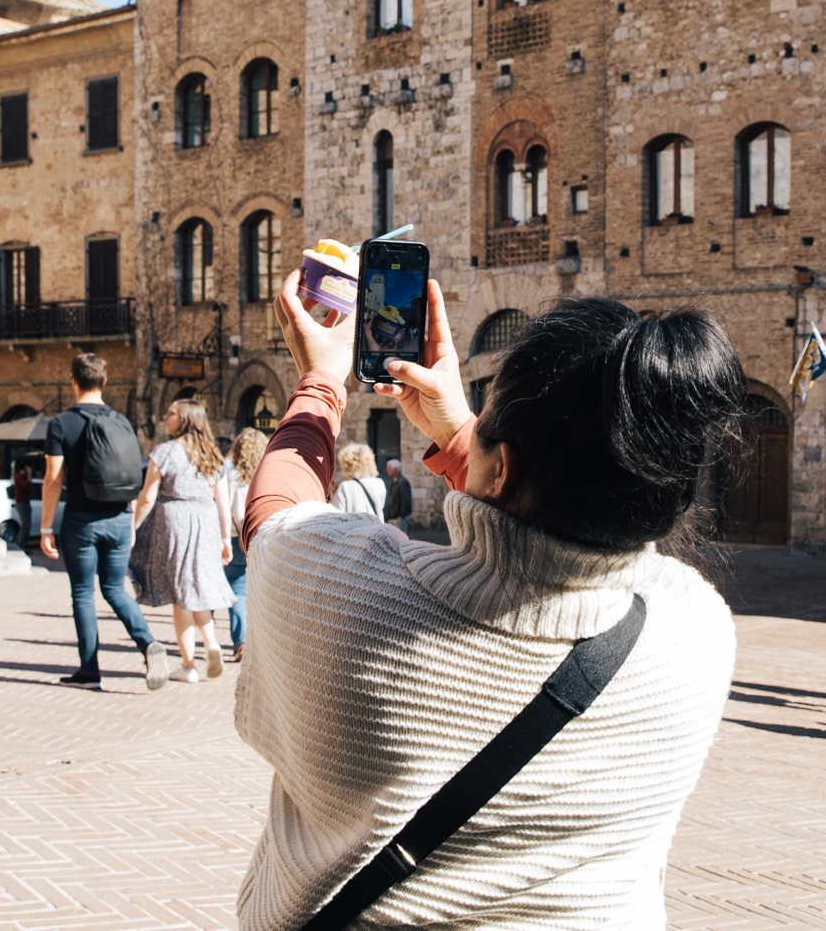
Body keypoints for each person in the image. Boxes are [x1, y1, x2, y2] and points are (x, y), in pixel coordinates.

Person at [237, 273, 739, 930]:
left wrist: (321, 380)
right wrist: (463, 436)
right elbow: (550, 521)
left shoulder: (351, 594)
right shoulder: (696, 631)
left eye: (485, 409)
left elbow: (275, 515)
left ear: (500, 464)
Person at [39, 352, 170, 692]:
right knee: (114, 589)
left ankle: (89, 671)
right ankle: (148, 643)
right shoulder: (120, 420)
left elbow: (53, 478)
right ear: (104, 382)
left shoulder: (61, 424)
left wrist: (45, 526)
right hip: (119, 518)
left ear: (73, 381)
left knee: (82, 593)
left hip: (82, 521)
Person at [132, 398, 238, 683]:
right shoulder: (213, 455)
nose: (165, 417)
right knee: (198, 585)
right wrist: (225, 538)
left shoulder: (164, 452)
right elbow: (223, 503)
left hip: (174, 519)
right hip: (206, 522)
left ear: (186, 419)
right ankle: (212, 642)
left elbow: (147, 497)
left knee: (181, 594)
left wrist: (133, 526)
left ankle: (189, 665)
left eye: (171, 414)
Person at [223, 427, 266, 662]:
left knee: (237, 590)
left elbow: (224, 508)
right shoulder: (268, 474)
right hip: (262, 537)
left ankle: (241, 640)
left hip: (235, 537)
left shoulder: (229, 476)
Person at [331, 444, 390, 521]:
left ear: (347, 464)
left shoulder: (345, 487)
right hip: (375, 529)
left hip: (354, 530)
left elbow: (336, 517)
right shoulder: (379, 483)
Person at [383, 457, 413, 532]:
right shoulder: (395, 482)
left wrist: (401, 515)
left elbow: (406, 501)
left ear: (395, 469)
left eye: (389, 468)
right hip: (394, 517)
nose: (387, 470)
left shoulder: (402, 482)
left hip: (399, 518)